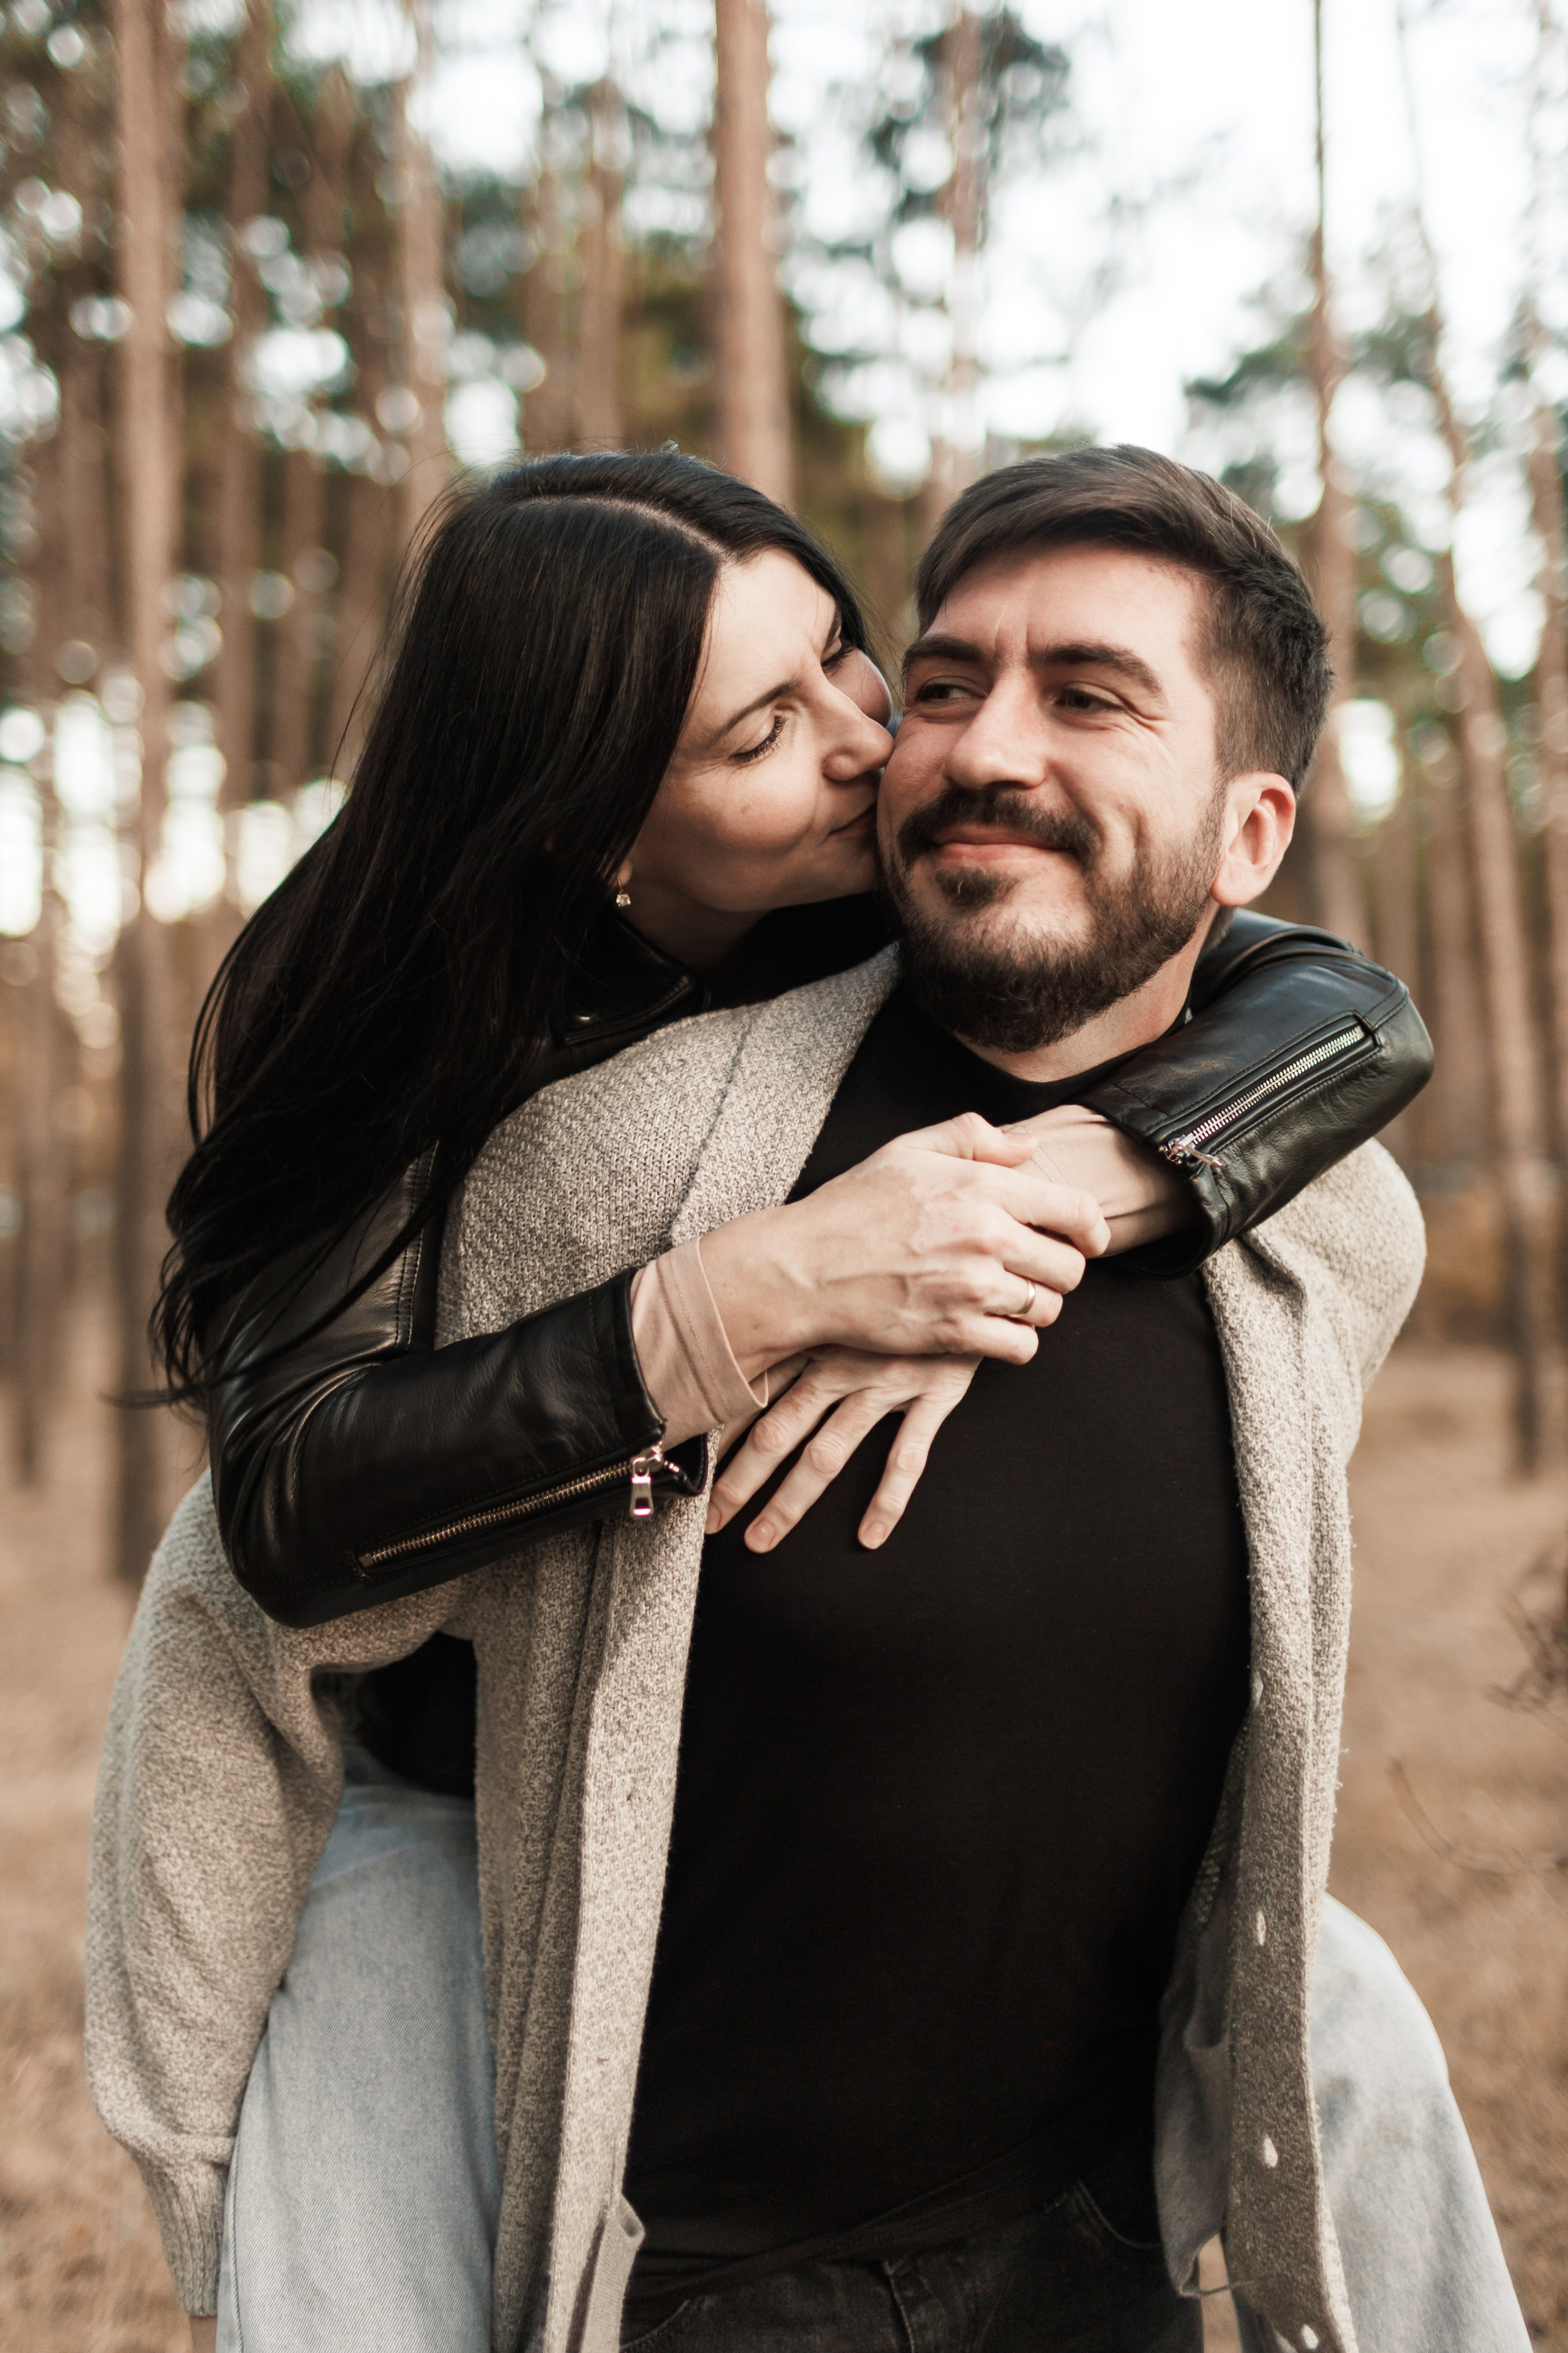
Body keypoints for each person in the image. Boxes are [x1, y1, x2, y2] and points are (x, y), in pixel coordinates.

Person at [86, 451, 1520, 2351]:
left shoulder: (882, 901)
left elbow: (1342, 1004)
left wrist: (1071, 1187)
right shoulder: (414, 1022)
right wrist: (744, 1301)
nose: (884, 746)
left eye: (852, 658)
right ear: (596, 825)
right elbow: (284, 1513)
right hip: (472, 1799)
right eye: (770, 727)